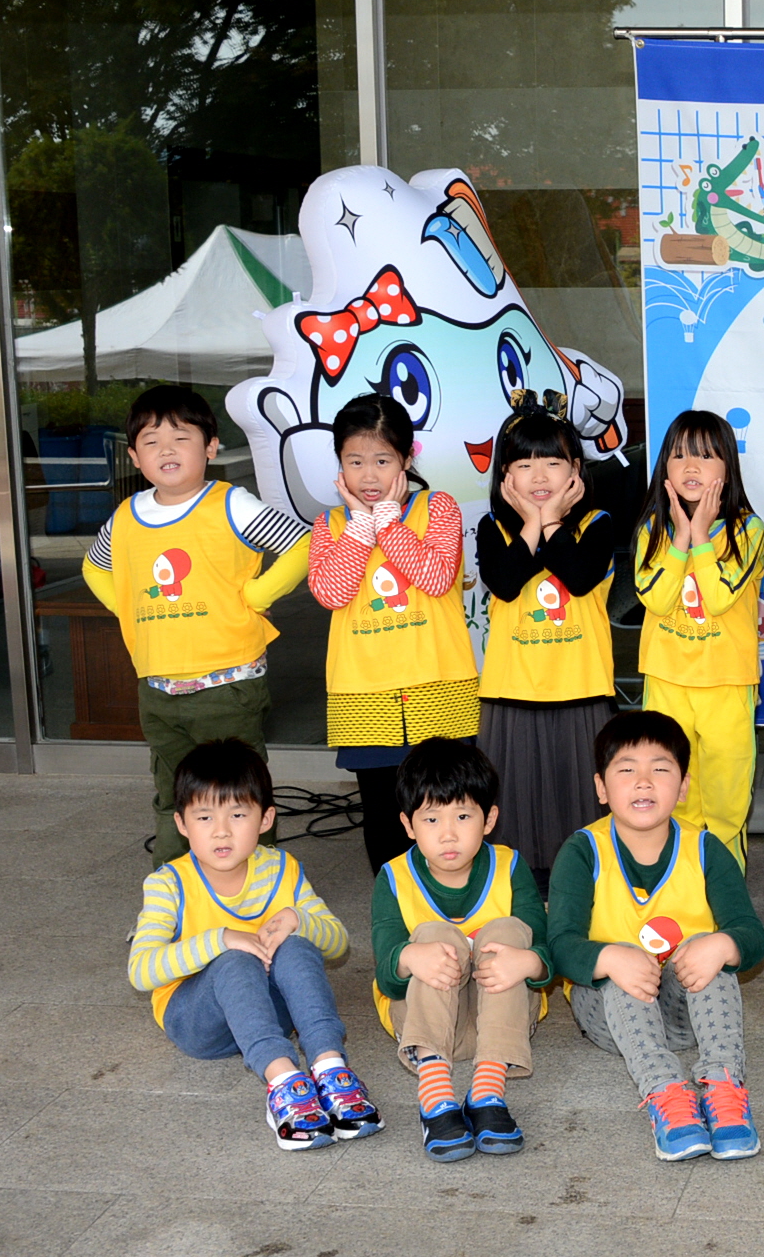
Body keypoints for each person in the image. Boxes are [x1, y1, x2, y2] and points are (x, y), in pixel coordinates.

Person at [84, 385, 311, 864]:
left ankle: (258, 893)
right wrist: (129, 608)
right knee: (174, 797)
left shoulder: (232, 504)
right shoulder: (126, 516)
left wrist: (257, 596)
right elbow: (94, 568)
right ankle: (174, 894)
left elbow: (302, 545)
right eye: (151, 441)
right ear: (134, 457)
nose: (166, 450)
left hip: (228, 687)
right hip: (157, 689)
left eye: (181, 438)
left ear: (210, 446)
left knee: (240, 797)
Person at [127, 740, 383, 1150]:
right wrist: (220, 939)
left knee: (296, 944)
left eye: (238, 814)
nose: (221, 830)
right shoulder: (167, 883)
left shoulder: (281, 867)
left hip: (272, 1014)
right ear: (181, 824)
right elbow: (141, 972)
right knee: (234, 959)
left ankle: (329, 1067)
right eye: (204, 816)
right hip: (198, 1023)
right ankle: (283, 1083)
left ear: (266, 819)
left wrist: (299, 920)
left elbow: (338, 944)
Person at [549, 711, 764, 1162]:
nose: (644, 782)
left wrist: (724, 945)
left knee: (712, 954)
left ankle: (724, 1087)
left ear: (683, 786)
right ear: (601, 787)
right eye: (627, 769)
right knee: (622, 961)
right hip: (610, 1014)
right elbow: (560, 945)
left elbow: (751, 936)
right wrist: (609, 958)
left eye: (661, 769)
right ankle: (665, 1092)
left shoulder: (706, 849)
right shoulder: (581, 851)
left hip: (685, 1013)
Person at [308, 393, 477, 875]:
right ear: (339, 463)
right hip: (365, 695)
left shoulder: (438, 507)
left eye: (382, 460)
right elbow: (332, 592)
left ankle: (454, 898)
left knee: (449, 808)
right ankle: (396, 904)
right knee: (383, 814)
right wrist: (362, 527)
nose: (368, 475)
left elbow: (435, 577)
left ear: (407, 458)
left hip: (436, 688)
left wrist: (386, 519)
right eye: (354, 461)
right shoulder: (329, 524)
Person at [370, 737, 551, 1161]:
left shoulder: (510, 866)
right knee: (434, 935)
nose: (448, 834)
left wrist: (528, 961)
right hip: (429, 1030)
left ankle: (488, 1093)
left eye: (463, 816)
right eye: (431, 819)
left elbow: (546, 954)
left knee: (508, 930)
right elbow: (386, 978)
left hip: (499, 1028)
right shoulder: (393, 878)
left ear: (490, 819)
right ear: (408, 825)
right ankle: (435, 1098)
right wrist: (409, 957)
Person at [474, 394, 619, 897]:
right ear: (505, 475)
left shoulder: (597, 524)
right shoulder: (493, 527)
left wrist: (552, 521)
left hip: (581, 687)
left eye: (553, 463)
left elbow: (577, 576)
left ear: (575, 470)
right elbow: (506, 581)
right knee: (514, 804)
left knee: (582, 801)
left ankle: (584, 891)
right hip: (511, 691)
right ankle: (520, 894)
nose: (539, 475)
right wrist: (533, 522)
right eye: (524, 464)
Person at [633, 410, 764, 863]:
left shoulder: (747, 530)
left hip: (727, 683)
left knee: (727, 795)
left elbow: (718, 595)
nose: (691, 467)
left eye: (706, 456)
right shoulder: (653, 530)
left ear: (728, 466)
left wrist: (701, 536)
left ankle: (725, 885)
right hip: (666, 680)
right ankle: (679, 880)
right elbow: (656, 599)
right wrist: (680, 538)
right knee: (672, 790)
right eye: (679, 456)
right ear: (664, 467)